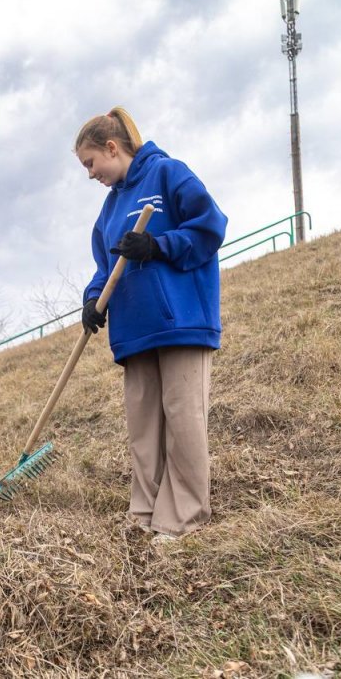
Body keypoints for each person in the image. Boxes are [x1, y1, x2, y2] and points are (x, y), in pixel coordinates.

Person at [75, 106, 227, 545]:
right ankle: (145, 510)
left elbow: (209, 227)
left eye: (90, 163)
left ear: (111, 147)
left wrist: (158, 245)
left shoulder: (168, 174)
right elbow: (105, 265)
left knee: (183, 419)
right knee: (143, 426)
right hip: (133, 331)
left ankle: (183, 515)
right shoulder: (108, 210)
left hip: (180, 322)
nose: (90, 174)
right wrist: (91, 300)